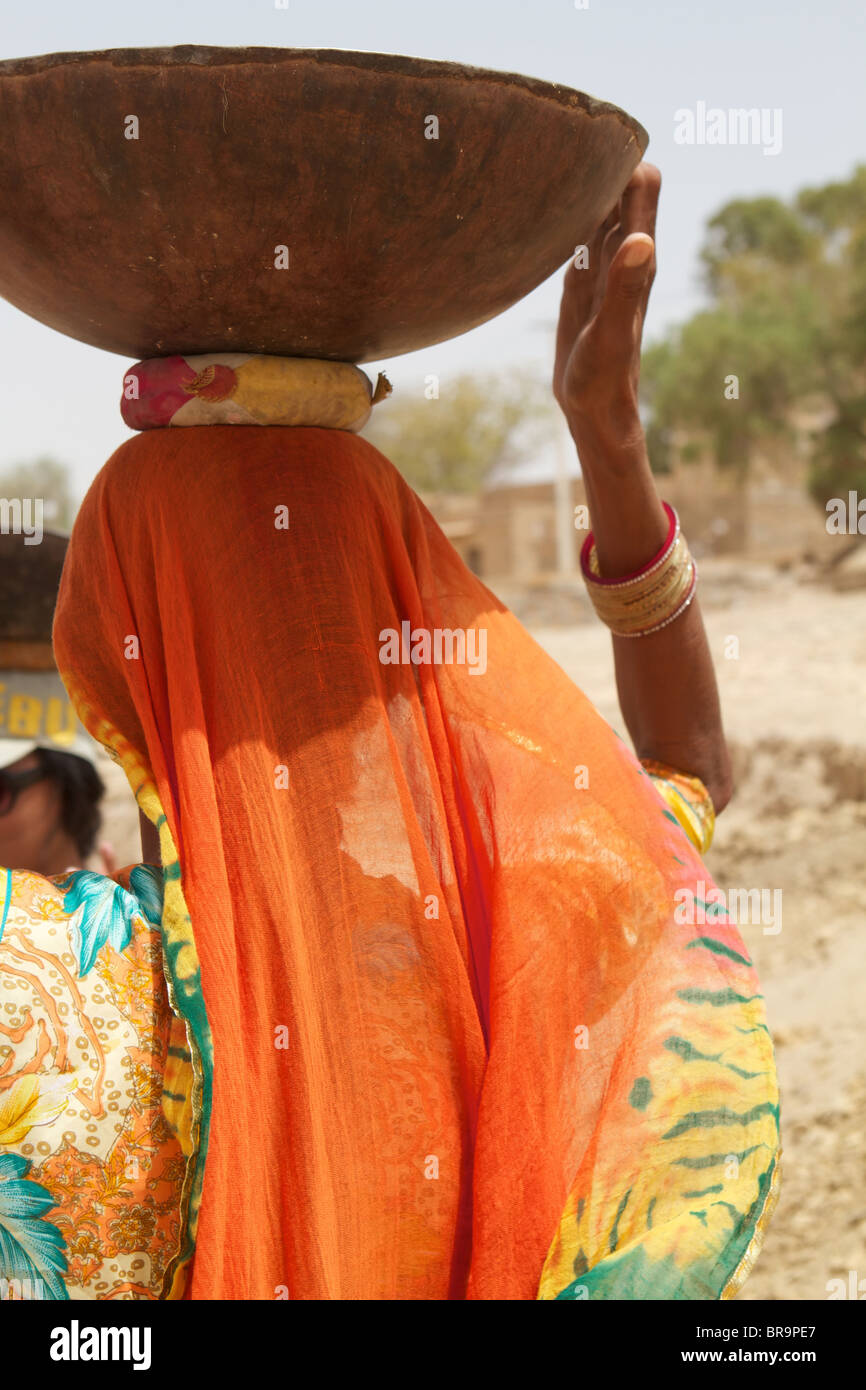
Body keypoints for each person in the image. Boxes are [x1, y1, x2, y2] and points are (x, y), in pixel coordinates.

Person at [0, 164, 779, 1301]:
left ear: (114, 653)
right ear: (403, 618)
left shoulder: (48, 979)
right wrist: (608, 440)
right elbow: (685, 779)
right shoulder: (484, 931)